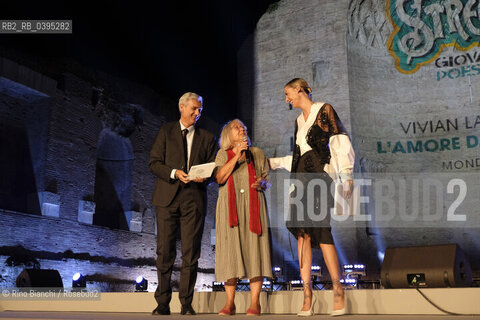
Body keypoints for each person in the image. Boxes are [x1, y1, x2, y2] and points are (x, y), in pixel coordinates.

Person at [269, 78, 354, 317]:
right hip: (300, 179)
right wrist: (271, 164)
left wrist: (347, 175)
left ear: (299, 90)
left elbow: (339, 140)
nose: (286, 99)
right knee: (302, 233)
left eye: (288, 93)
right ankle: (307, 293)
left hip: (320, 176)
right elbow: (297, 156)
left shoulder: (324, 110)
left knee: (321, 228)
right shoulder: (298, 121)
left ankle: (338, 289)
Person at [149, 92, 217, 316]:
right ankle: (162, 303)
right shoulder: (166, 131)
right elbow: (154, 163)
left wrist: (204, 176)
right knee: (164, 252)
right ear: (182, 107)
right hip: (167, 198)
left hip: (193, 200)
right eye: (194, 109)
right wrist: (173, 172)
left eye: (200, 110)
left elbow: (213, 169)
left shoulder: (207, 137)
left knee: (191, 254)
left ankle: (186, 303)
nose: (197, 113)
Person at [214, 119, 272, 316]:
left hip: (253, 205)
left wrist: (262, 183)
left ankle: (255, 302)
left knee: (255, 249)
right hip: (230, 208)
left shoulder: (257, 153)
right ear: (228, 134)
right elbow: (220, 178)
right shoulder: (223, 154)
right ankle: (230, 302)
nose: (242, 129)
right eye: (237, 127)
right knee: (230, 251)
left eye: (244, 127)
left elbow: (266, 181)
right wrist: (236, 156)